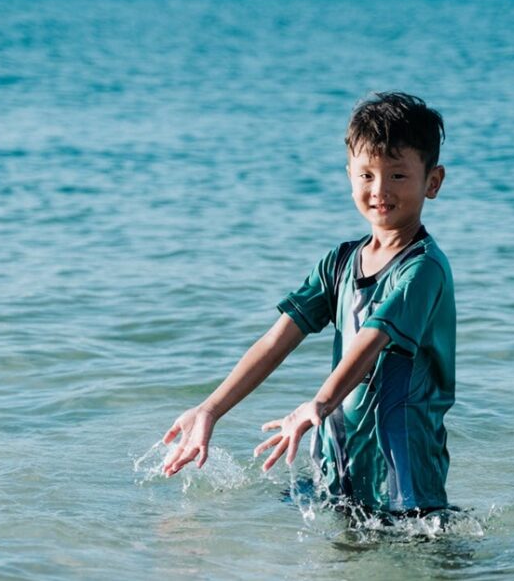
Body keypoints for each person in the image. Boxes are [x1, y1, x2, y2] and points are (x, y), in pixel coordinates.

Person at [161, 92, 455, 514]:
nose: (380, 190)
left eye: (397, 175)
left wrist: (317, 403)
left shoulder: (423, 270)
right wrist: (211, 409)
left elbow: (371, 342)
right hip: (339, 462)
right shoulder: (338, 264)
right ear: (349, 175)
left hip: (406, 473)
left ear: (433, 181)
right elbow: (276, 341)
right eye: (366, 175)